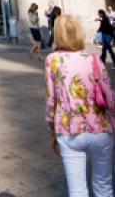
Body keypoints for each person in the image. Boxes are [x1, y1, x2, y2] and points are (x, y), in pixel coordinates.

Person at [45, 14, 114, 196]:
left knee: (77, 191)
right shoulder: (94, 59)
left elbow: (51, 100)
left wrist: (52, 126)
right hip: (101, 128)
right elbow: (110, 97)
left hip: (69, 130)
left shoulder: (52, 60)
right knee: (104, 185)